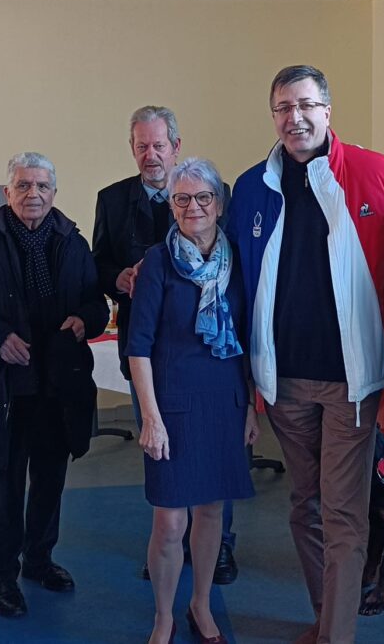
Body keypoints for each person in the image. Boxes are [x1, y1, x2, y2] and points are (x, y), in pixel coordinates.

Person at [224, 64, 384, 644]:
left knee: (343, 514)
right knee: (303, 507)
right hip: (284, 383)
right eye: (282, 107)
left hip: (351, 384)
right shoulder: (253, 185)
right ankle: (325, 616)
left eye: (305, 104)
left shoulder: (375, 172)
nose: (295, 117)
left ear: (328, 111)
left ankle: (337, 634)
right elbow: (233, 275)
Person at [92, 105, 240, 584]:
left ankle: (219, 547)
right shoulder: (112, 200)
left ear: (176, 146)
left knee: (217, 464)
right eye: (141, 146)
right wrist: (121, 276)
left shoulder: (214, 191)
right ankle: (166, 542)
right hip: (150, 351)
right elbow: (98, 265)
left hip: (210, 352)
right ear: (132, 149)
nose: (150, 154)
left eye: (159, 145)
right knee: (160, 450)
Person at [0, 152, 108, 618]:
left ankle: (40, 560)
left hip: (57, 384)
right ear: (7, 193)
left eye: (42, 186)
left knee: (51, 480)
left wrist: (85, 319)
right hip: (7, 387)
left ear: (54, 192)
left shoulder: (72, 241)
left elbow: (96, 303)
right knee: (4, 487)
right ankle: (2, 576)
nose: (34, 194)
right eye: (24, 186)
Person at [128, 158, 258, 644]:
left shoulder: (238, 259)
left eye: (203, 197)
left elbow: (247, 338)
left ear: (219, 204)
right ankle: (164, 615)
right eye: (181, 198)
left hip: (224, 401)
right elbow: (137, 346)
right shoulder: (158, 261)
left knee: (210, 515)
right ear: (171, 206)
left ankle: (201, 605)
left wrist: (249, 408)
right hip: (172, 407)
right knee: (169, 521)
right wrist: (150, 419)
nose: (193, 207)